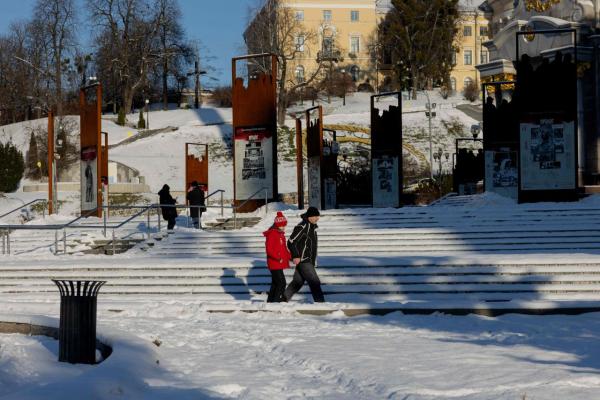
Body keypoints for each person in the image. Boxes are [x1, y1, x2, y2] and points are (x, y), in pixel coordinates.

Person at [284, 206, 325, 303]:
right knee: (315, 282)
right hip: (304, 260)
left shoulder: (311, 228)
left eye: (318, 216)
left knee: (297, 282)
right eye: (315, 216)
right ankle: (321, 304)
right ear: (310, 217)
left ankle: (282, 300)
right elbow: (291, 242)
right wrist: (295, 256)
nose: (317, 218)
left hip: (308, 260)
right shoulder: (303, 226)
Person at [263, 212, 291, 303]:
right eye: (281, 225)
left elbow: (284, 249)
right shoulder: (272, 234)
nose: (283, 227)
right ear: (277, 224)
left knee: (275, 283)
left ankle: (271, 301)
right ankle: (277, 301)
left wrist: (290, 257)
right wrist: (277, 258)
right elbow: (269, 249)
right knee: (281, 283)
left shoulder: (280, 234)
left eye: (284, 225)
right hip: (274, 262)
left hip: (278, 263)